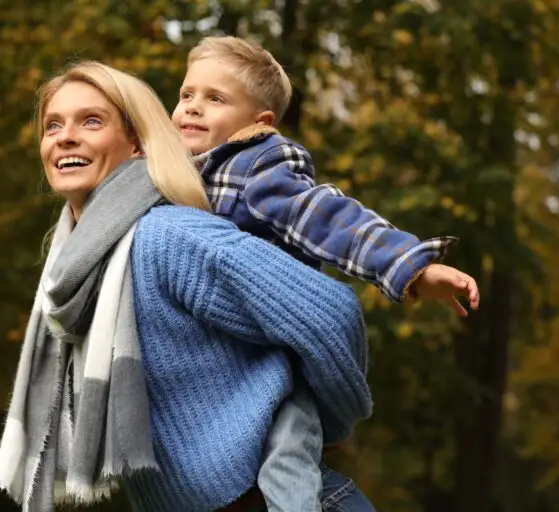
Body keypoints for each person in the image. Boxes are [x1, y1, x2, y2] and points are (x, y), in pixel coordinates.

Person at [0, 61, 373, 512]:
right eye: (53, 125)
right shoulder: (75, 271)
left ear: (136, 143)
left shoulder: (166, 236)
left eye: (91, 121)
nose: (65, 136)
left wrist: (328, 424)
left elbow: (331, 311)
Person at [170, 36, 480, 512]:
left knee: (288, 463)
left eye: (215, 99)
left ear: (259, 123)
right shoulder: (173, 174)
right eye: (187, 94)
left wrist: (414, 268)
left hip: (279, 361)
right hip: (217, 365)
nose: (192, 108)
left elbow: (331, 220)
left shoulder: (258, 165)